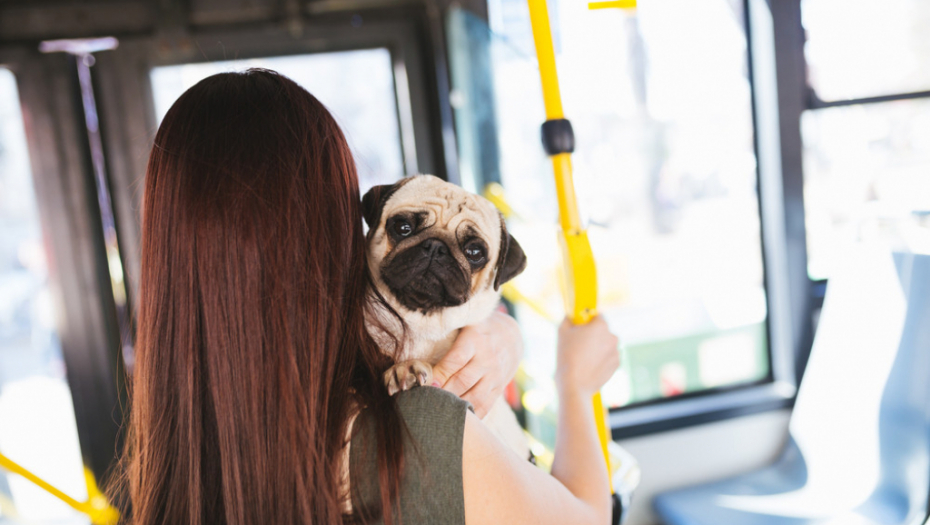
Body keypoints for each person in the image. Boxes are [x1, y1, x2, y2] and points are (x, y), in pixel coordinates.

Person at [125, 68, 620, 525]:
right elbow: (590, 517)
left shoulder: (169, 452)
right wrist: (576, 385)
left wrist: (489, 329)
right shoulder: (410, 432)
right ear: (334, 228)